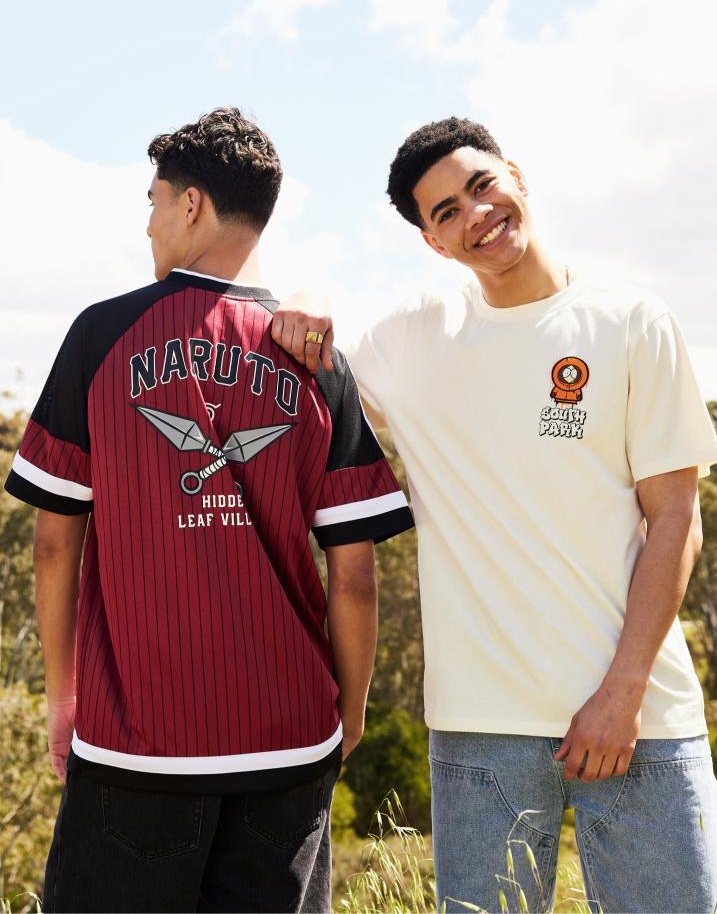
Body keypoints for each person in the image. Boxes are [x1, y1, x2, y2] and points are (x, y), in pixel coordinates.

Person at [271, 116, 717, 913]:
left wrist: (621, 693)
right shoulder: (413, 339)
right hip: (480, 726)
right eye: (446, 211)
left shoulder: (630, 320)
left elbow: (676, 519)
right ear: (434, 242)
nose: (475, 213)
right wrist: (306, 297)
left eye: (481, 186)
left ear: (515, 175)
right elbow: (314, 356)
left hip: (641, 717)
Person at [4, 106, 413, 914]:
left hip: (135, 750)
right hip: (288, 742)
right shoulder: (314, 357)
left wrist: (63, 698)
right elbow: (355, 576)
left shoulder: (101, 335)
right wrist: (351, 709)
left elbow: (54, 546)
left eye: (153, 201)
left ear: (190, 204)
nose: (148, 224)